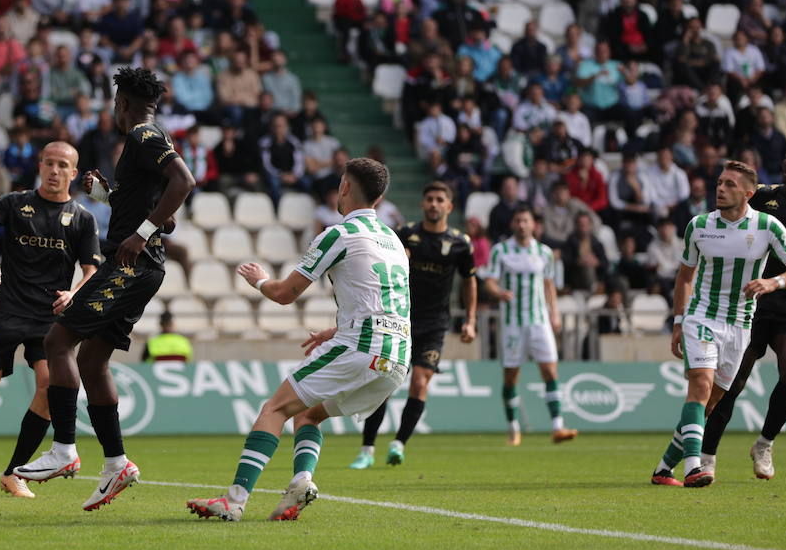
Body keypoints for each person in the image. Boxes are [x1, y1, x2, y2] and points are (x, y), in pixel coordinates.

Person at [186, 158, 409, 522]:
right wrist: (336, 330)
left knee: (274, 409)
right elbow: (388, 305)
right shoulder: (394, 243)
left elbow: (285, 293)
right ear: (380, 197)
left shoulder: (339, 234)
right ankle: (301, 482)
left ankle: (234, 499)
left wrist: (259, 279)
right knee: (307, 415)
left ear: (344, 188)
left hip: (360, 347)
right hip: (396, 359)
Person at [14, 68, 196, 511]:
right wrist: (111, 196)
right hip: (142, 262)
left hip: (133, 261)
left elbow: (184, 183)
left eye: (114, 104)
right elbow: (164, 214)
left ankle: (65, 450)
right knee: (93, 361)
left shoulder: (142, 136)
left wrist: (140, 234)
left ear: (123, 104)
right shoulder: (153, 138)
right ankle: (116, 464)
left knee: (57, 340)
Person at [0, 141, 101, 499]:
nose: (54, 171)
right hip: (6, 308)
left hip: (49, 316)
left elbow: (92, 270)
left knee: (47, 386)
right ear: (39, 165)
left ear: (73, 173)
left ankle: (14, 473)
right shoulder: (14, 203)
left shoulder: (83, 219)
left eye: (62, 165)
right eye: (49, 163)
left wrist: (74, 293)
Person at [652, 160, 786, 489]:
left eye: (730, 184)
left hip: (740, 325)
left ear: (749, 193)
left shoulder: (768, 226)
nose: (721, 188)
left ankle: (663, 469)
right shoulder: (699, 225)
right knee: (700, 387)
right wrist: (679, 321)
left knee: (714, 400)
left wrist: (773, 283)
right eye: (719, 182)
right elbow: (685, 277)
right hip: (701, 317)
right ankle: (694, 468)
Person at [351, 182, 476, 468]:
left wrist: (470, 320)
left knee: (419, 383)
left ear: (449, 206)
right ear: (423, 204)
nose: (434, 204)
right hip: (400, 321)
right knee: (384, 382)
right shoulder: (405, 235)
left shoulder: (460, 243)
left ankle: (398, 445)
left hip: (435, 325)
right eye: (429, 199)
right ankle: (367, 450)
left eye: (440, 200)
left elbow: (470, 282)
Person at [697, 145, 786, 481]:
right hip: (751, 304)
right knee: (733, 381)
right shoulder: (765, 197)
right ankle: (707, 454)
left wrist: (784, 281)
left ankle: (764, 443)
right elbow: (727, 220)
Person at [482, 205, 578, 446]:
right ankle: (513, 427)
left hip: (539, 321)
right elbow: (489, 282)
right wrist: (498, 292)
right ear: (512, 224)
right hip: (512, 323)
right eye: (518, 221)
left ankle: (557, 426)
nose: (522, 225)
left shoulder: (544, 253)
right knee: (511, 376)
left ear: (533, 224)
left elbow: (549, 286)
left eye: (526, 220)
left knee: (550, 371)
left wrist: (554, 314)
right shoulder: (500, 250)